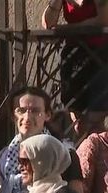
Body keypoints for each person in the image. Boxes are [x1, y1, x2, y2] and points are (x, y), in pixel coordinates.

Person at [43, 0, 108, 135]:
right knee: (78, 121)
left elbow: (103, 20)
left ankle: (97, 147)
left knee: (95, 120)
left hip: (101, 56)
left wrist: (68, 29)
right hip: (74, 56)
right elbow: (48, 24)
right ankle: (86, 148)